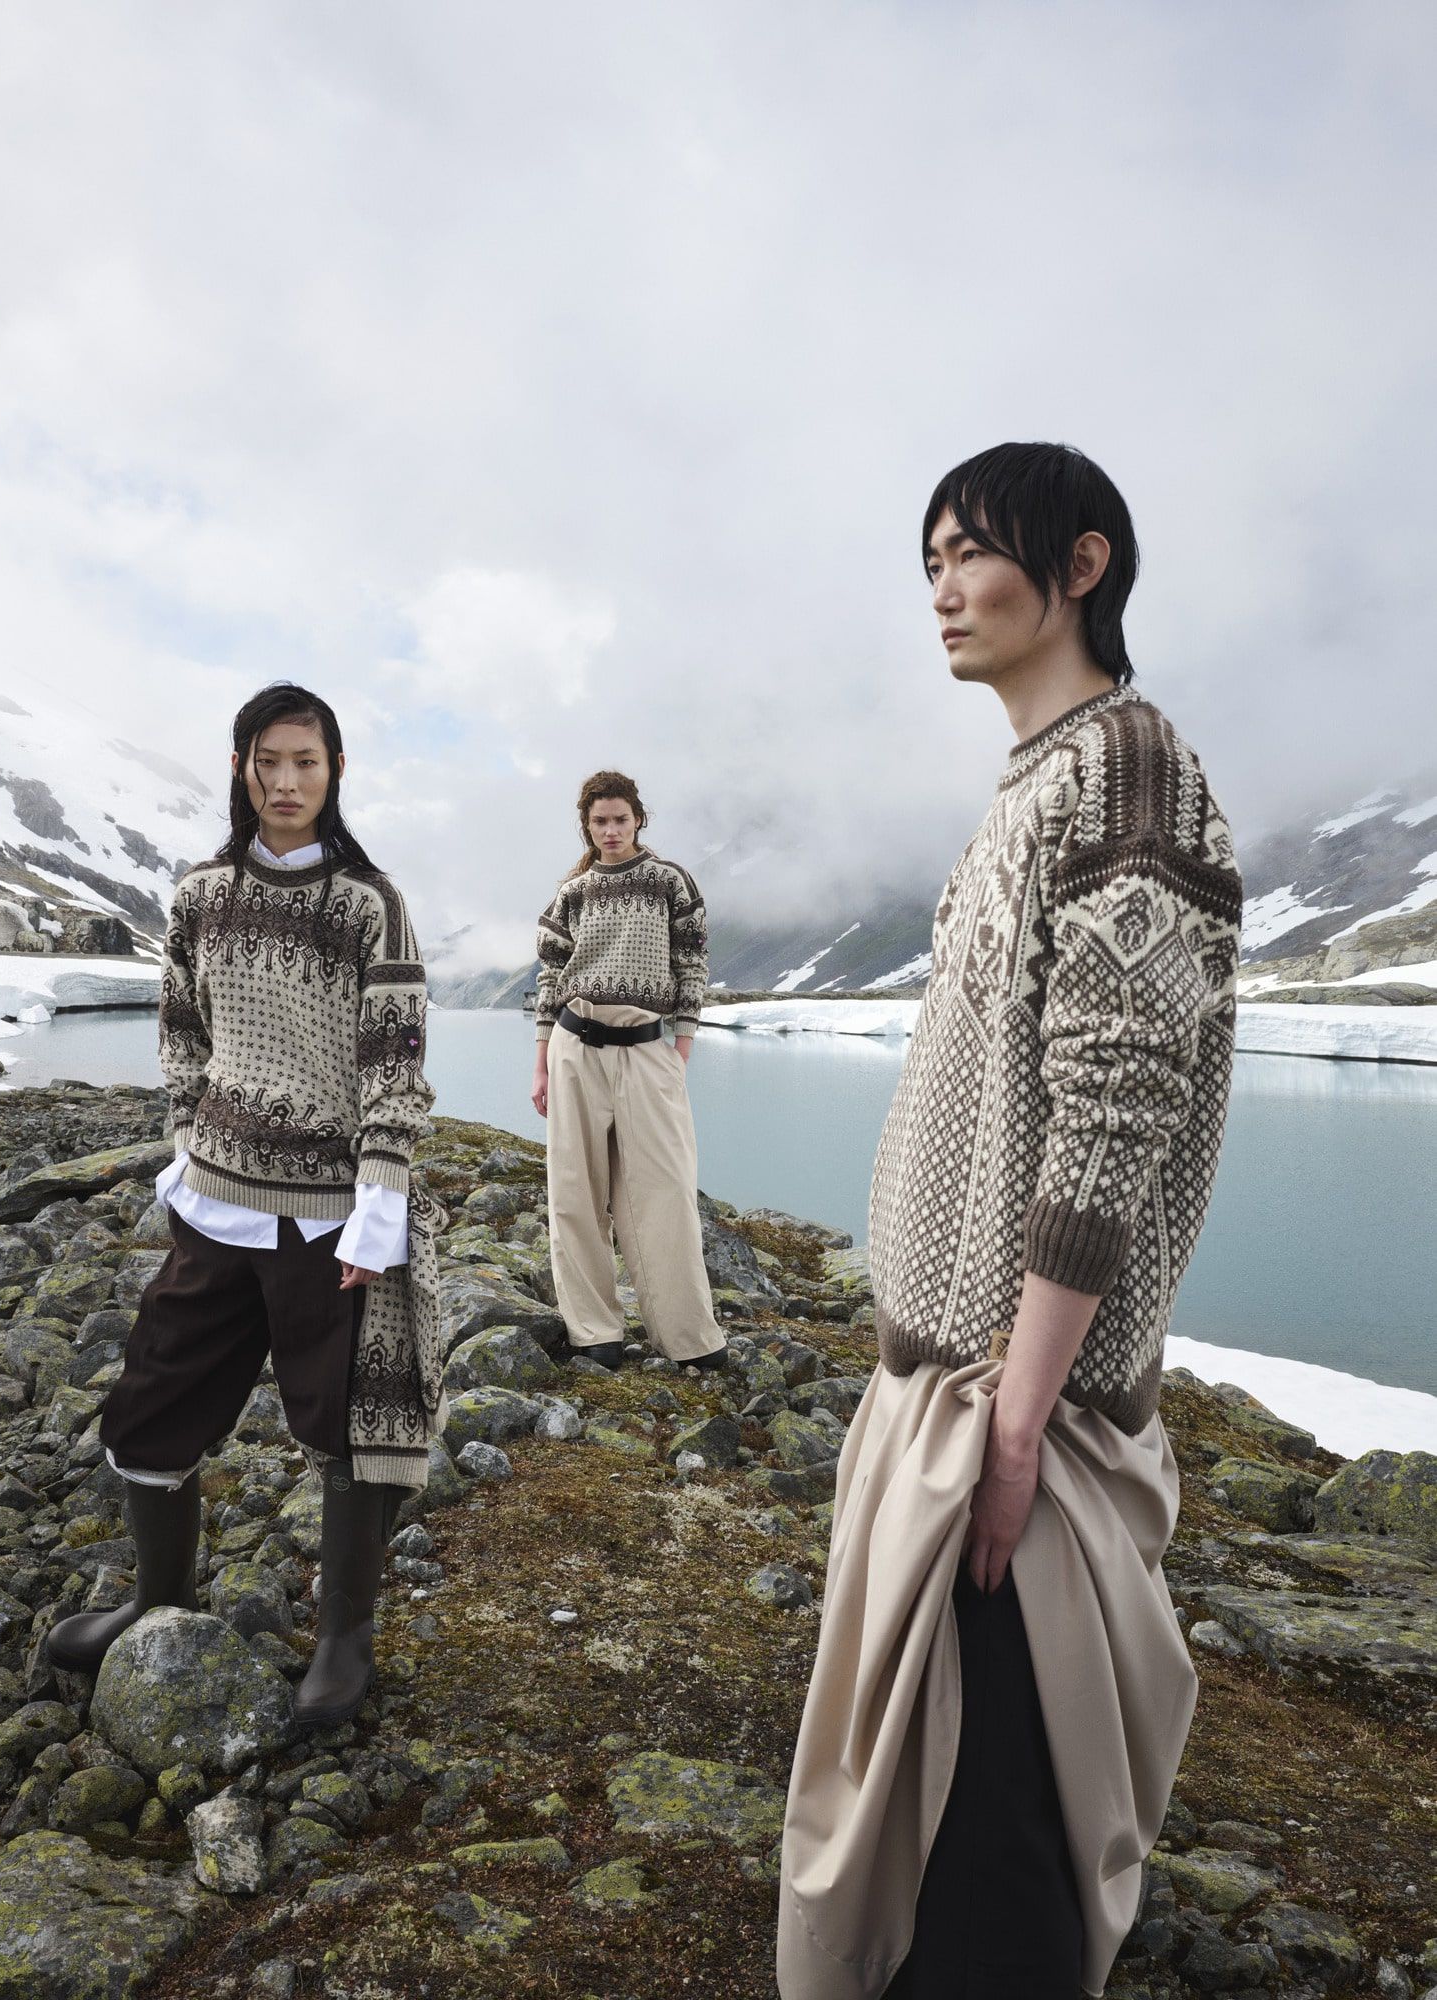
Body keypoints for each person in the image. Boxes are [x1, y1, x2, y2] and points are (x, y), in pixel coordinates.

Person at [778, 442, 1243, 1999]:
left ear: (1083, 567)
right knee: (938, 1833)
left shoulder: (1131, 775)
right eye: (929, 563)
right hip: (953, 1391)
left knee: (993, 1855)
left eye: (971, 553)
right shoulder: (1040, 782)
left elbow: (1117, 1114)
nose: (943, 593)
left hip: (1006, 1412)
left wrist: (1019, 1422)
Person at [46, 682, 438, 1727]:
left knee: (344, 1424)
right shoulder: (200, 894)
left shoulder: (369, 903)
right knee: (152, 1400)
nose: (286, 781)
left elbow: (395, 1067)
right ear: (241, 767)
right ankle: (157, 1598)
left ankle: (344, 1643)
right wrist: (189, 1137)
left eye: (306, 761)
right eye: (268, 760)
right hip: (215, 1203)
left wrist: (378, 1203)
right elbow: (180, 1029)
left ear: (336, 770)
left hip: (326, 1221)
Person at [530, 771, 726, 1372]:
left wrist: (683, 1043)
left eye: (620, 819)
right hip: (574, 1046)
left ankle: (688, 1337)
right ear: (587, 827)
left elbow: (692, 961)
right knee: (575, 1192)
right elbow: (548, 978)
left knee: (664, 1191)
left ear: (638, 818)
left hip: (647, 1049)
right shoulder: (574, 893)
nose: (610, 830)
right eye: (599, 822)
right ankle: (595, 1331)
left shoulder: (669, 882)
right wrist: (541, 1063)